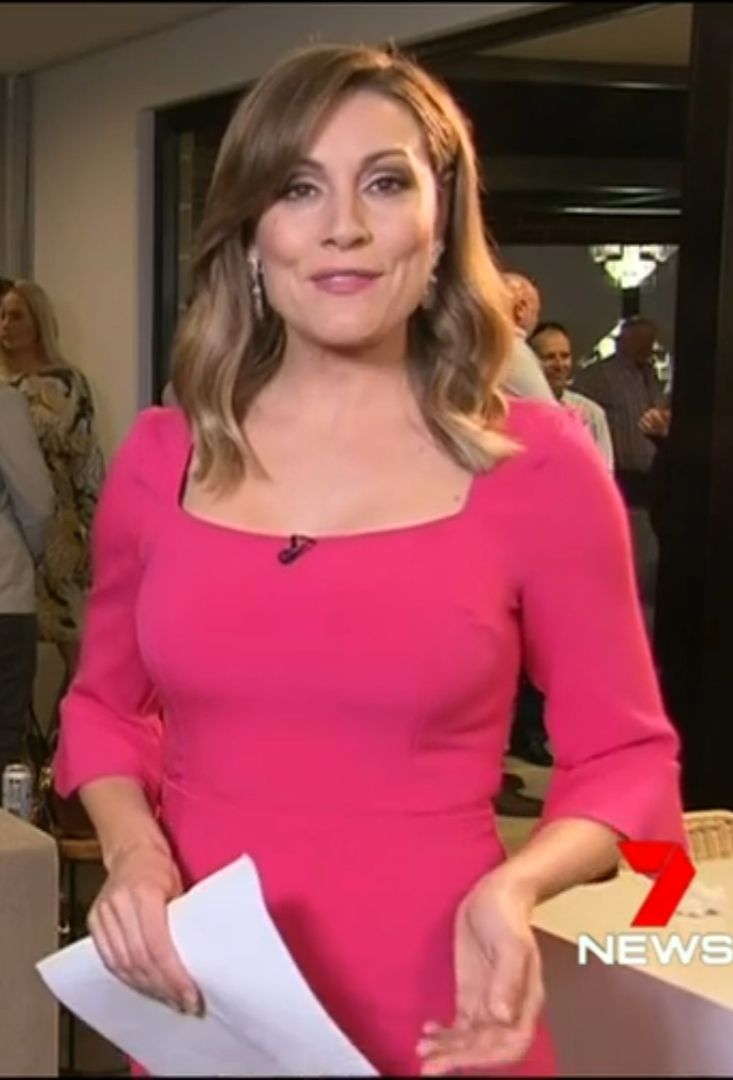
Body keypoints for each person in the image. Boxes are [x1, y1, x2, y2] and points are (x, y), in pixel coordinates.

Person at [54, 44, 685, 1078]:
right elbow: (102, 710)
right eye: (299, 188)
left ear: (438, 227)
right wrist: (133, 853)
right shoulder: (164, 458)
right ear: (251, 234)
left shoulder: (536, 467)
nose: (342, 225)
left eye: (384, 183)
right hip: (209, 1015)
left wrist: (518, 884)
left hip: (444, 1012)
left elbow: (625, 758)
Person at [0, 281, 105, 709]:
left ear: (39, 322)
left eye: (16, 315)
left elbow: (86, 459)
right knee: (16, 654)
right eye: (2, 316)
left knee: (78, 654)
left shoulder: (66, 384)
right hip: (12, 533)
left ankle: (68, 740)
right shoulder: (4, 390)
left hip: (59, 529)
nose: (6, 325)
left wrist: (97, 529)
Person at [574, 316, 667, 627]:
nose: (648, 348)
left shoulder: (653, 376)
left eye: (650, 341)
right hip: (621, 478)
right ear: (623, 341)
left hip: (654, 478)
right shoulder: (598, 377)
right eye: (641, 342)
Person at [0, 382, 55, 777]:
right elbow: (37, 501)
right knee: (4, 746)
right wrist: (27, 556)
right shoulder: (3, 403)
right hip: (4, 595)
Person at [530, 321, 614, 470]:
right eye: (549, 357)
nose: (559, 365)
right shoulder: (516, 412)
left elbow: (605, 471)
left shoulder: (592, 414)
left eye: (565, 356)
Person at [502, 272, 555, 402]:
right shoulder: (512, 349)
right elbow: (546, 410)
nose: (536, 320)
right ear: (520, 309)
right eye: (536, 312)